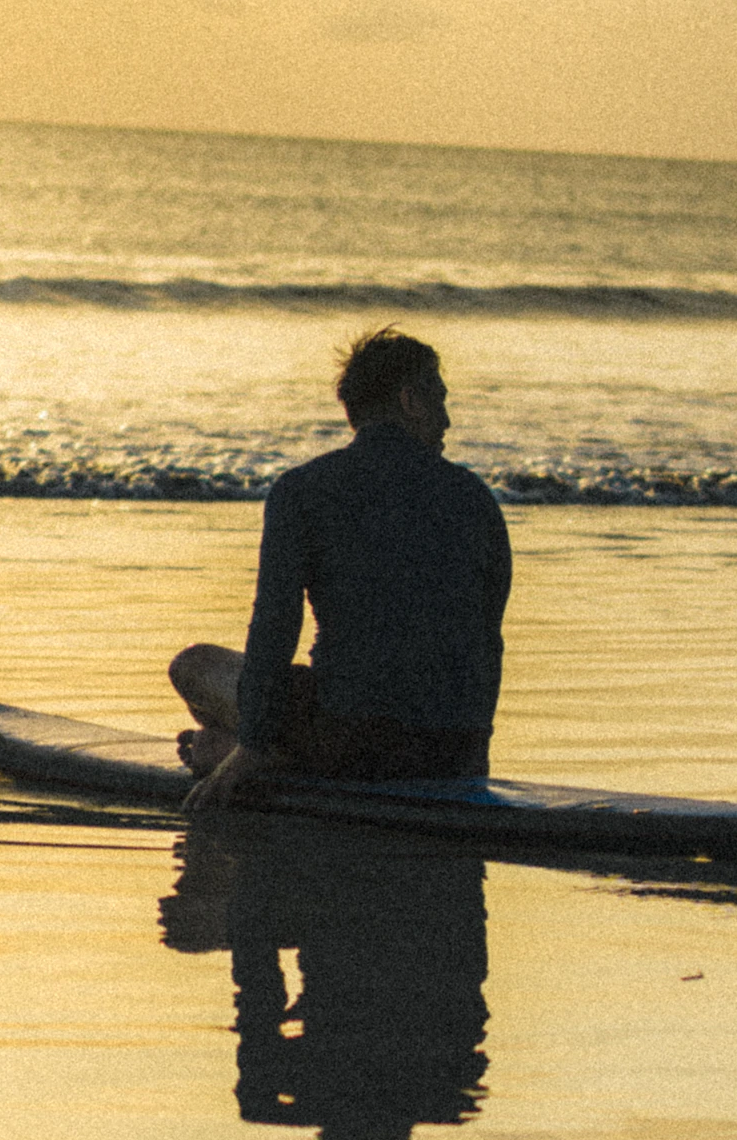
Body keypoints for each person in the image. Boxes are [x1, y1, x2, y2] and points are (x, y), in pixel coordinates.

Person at [174, 328, 510, 809]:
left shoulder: (302, 490)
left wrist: (247, 749)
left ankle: (268, 758)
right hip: (453, 750)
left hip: (349, 742)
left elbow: (275, 626)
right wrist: (470, 757)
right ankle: (270, 751)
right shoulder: (477, 497)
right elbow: (486, 638)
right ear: (410, 401)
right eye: (439, 399)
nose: (448, 420)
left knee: (194, 665)